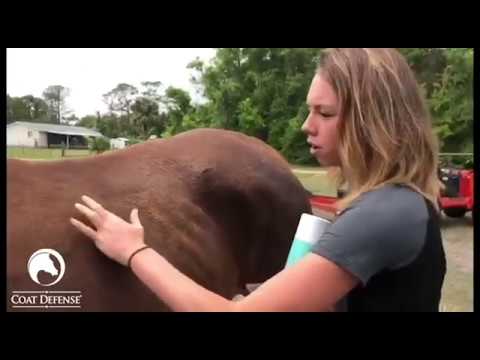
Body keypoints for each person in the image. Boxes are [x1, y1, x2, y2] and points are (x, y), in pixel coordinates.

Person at [70, 48, 446, 312]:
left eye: (324, 113)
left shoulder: (382, 213)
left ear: (372, 120)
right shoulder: (395, 202)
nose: (306, 126)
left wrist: (134, 251)